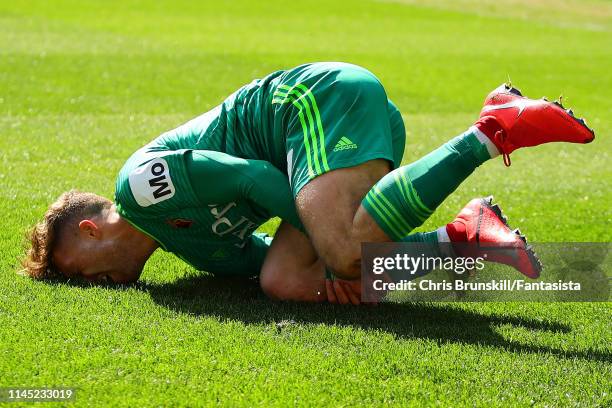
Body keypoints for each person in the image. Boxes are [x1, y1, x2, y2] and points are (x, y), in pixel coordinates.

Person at [22, 62, 595, 304]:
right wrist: (325, 269)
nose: (93, 283)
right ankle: (464, 238)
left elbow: (253, 175)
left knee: (341, 250)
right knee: (285, 281)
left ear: (91, 229)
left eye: (74, 268)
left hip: (309, 104)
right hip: (329, 149)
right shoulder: (201, 253)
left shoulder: (139, 187)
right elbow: (278, 255)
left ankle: (492, 129)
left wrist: (337, 254)